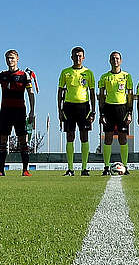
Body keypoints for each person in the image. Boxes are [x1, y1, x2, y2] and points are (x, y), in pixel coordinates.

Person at [0, 49, 36, 176]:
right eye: (7, 58)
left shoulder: (24, 75)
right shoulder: (3, 75)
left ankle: (25, 170)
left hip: (20, 111)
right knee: (2, 141)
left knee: (23, 141)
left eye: (12, 58)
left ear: (17, 59)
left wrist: (32, 111)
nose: (9, 60)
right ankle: (1, 170)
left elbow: (31, 94)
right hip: (5, 111)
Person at [57, 47, 96, 176]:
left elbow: (92, 93)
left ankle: (84, 168)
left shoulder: (89, 72)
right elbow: (60, 92)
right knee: (70, 136)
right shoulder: (65, 72)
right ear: (71, 57)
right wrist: (60, 110)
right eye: (75, 56)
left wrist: (93, 111)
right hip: (68, 107)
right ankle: (70, 169)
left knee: (84, 137)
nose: (78, 58)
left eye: (80, 56)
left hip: (84, 107)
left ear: (83, 57)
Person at [97, 51, 134, 174]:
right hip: (108, 109)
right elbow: (101, 96)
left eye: (117, 58)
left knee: (123, 139)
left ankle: (125, 166)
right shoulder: (104, 77)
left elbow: (130, 96)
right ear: (109, 61)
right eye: (113, 58)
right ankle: (106, 167)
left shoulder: (127, 76)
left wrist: (129, 112)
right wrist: (101, 114)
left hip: (122, 109)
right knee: (108, 138)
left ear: (121, 60)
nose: (115, 60)